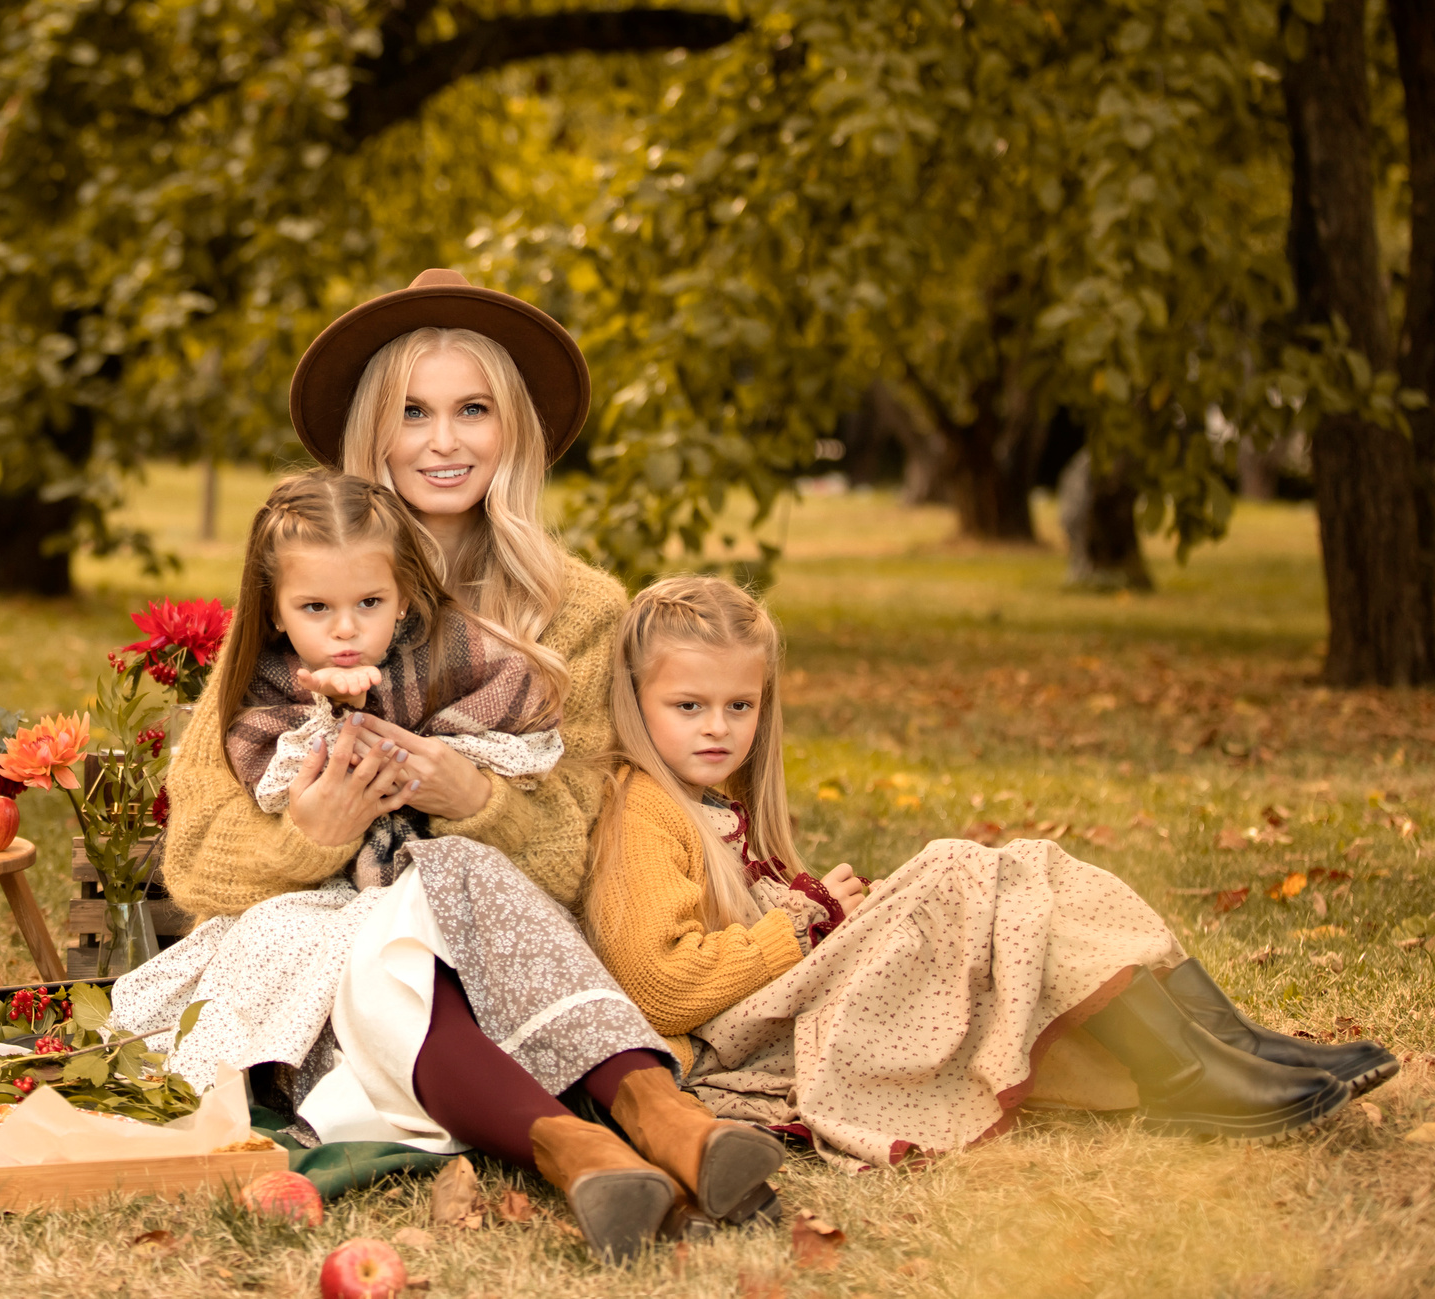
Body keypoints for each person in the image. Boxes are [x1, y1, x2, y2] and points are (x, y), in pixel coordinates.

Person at [124, 271, 777, 1259]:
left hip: (515, 951)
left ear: (509, 430)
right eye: (413, 412)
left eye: (471, 409)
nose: (443, 441)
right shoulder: (305, 601)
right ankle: (602, 1140)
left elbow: (579, 861)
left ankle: (636, 1134)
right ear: (373, 436)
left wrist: (479, 800)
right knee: (388, 941)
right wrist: (311, 837)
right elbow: (197, 859)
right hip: (341, 953)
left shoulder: (578, 611)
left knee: (456, 882)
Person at [586, 574, 1395, 1166]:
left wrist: (821, 915)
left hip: (776, 997)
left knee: (1026, 867)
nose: (719, 728)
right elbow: (659, 984)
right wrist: (799, 925)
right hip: (733, 1040)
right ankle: (1188, 1074)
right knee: (953, 867)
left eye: (740, 705)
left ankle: (1229, 1046)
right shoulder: (642, 808)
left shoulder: (719, 795)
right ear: (636, 700)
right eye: (688, 705)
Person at [225, 470, 564, 892]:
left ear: (402, 598)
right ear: (273, 610)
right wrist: (332, 712)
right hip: (324, 900)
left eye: (370, 602)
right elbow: (261, 778)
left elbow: (528, 711)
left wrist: (473, 791)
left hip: (453, 883)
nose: (346, 628)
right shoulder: (264, 677)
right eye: (315, 607)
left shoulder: (457, 647)